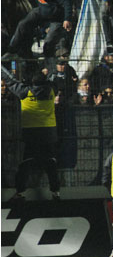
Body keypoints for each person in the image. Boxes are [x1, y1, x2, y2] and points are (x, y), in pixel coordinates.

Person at [2, 66, 61, 202]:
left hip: (31, 133)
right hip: (48, 133)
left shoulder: (24, 92)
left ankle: (19, 192)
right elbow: (53, 76)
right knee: (51, 163)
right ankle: (56, 192)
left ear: (32, 83)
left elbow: (9, 80)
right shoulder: (51, 91)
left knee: (26, 164)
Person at [3, 0, 72, 60]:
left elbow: (66, 2)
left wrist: (67, 19)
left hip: (56, 17)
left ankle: (48, 60)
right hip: (40, 11)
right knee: (22, 24)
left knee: (49, 41)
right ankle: (12, 51)